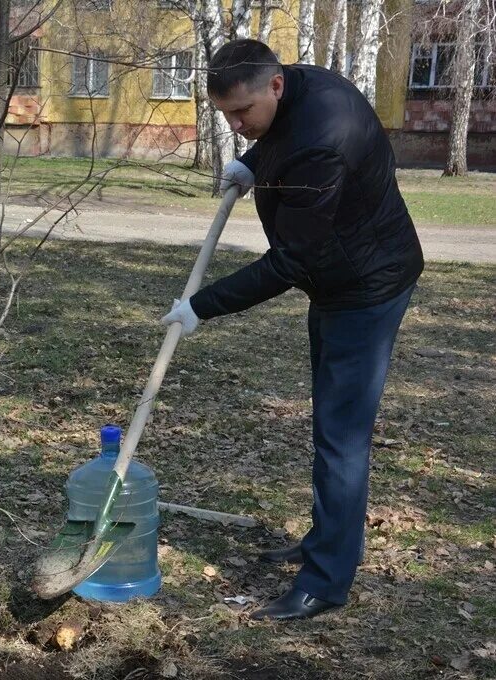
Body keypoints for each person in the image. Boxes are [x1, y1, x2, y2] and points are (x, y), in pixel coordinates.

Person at [160, 39, 423, 620]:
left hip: (366, 287)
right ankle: (330, 540)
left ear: (274, 86)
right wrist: (252, 163)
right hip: (338, 277)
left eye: (242, 113)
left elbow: (290, 261)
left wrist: (202, 305)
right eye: (225, 114)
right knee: (333, 427)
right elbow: (280, 137)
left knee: (341, 437)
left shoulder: (321, 141)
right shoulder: (297, 90)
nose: (235, 124)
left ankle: (327, 580)